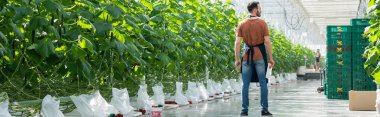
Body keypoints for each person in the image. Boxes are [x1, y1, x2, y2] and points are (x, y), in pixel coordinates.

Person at [234, 1, 275, 116]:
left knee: (245, 84)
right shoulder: (262, 23)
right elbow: (267, 41)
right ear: (255, 9)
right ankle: (264, 109)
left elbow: (237, 43)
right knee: (263, 83)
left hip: (246, 56)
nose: (260, 10)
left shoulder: (242, 24)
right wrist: (271, 58)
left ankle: (244, 110)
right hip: (260, 56)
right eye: (259, 8)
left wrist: (237, 59)